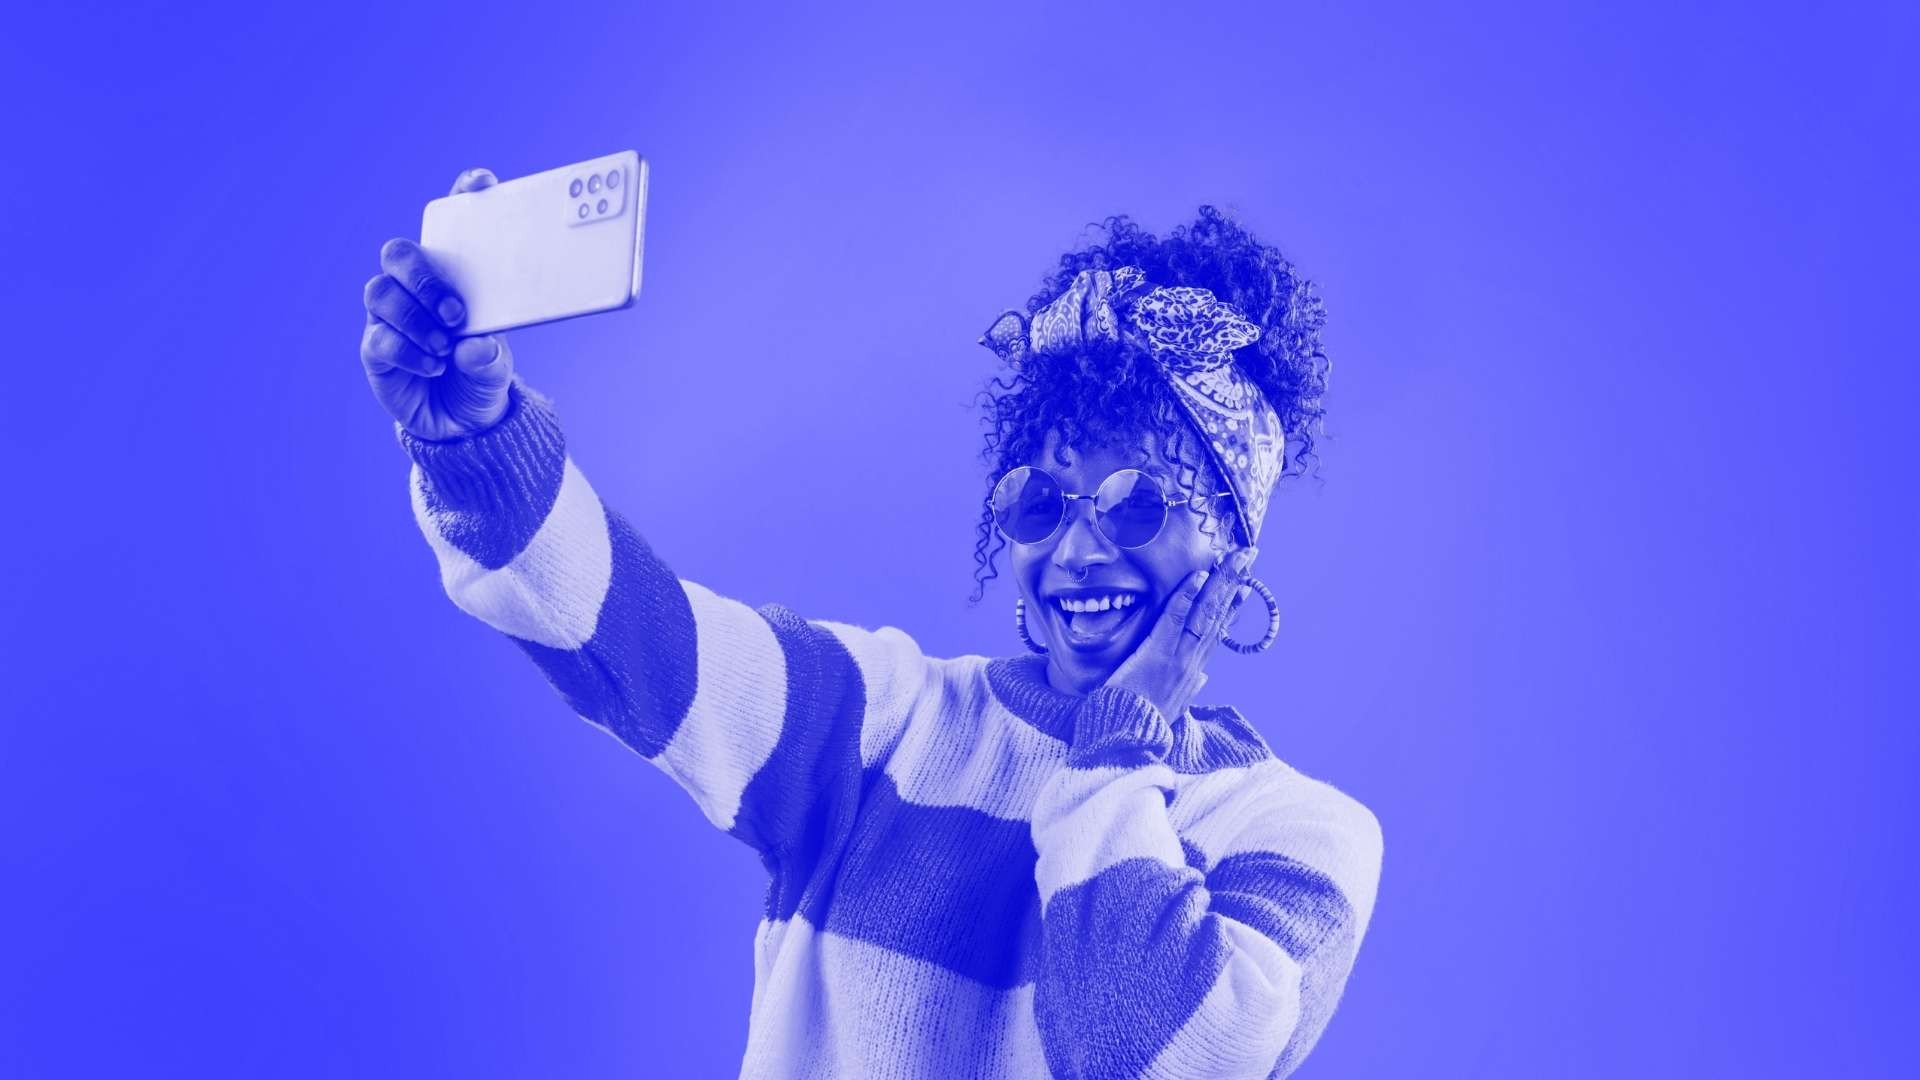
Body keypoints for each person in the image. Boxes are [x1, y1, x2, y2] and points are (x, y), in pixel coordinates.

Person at [360, 167, 1383, 1079]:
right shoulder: (891, 721)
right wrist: (478, 444)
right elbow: (635, 635)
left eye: (1135, 504)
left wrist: (1118, 746)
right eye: (1041, 502)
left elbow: (1151, 1057)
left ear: (1230, 547)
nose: (1075, 552)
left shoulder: (1297, 835)